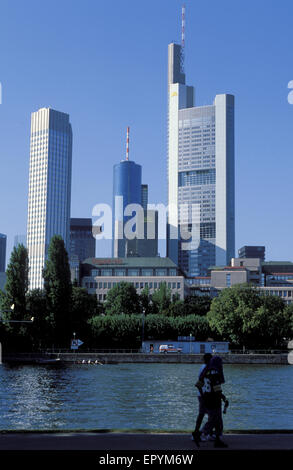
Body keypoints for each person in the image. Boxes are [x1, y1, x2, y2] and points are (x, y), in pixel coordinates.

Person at [194, 356, 229, 448]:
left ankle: (217, 439)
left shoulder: (206, 371)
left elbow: (198, 385)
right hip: (214, 399)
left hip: (207, 397)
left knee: (216, 420)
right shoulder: (215, 372)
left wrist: (203, 395)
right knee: (214, 419)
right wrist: (223, 397)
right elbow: (216, 387)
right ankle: (200, 433)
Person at [191, 353, 213, 445]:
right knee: (207, 414)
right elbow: (200, 382)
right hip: (204, 395)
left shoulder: (203, 367)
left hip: (203, 394)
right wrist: (203, 395)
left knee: (206, 414)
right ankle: (198, 434)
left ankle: (205, 433)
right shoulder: (205, 368)